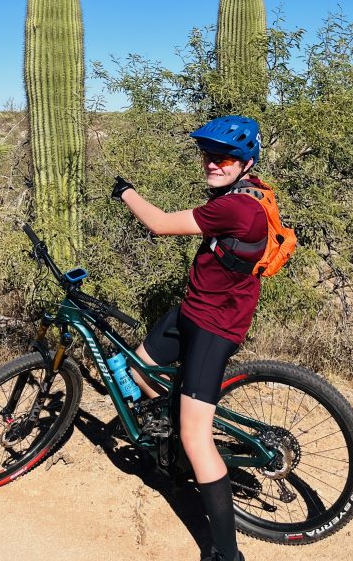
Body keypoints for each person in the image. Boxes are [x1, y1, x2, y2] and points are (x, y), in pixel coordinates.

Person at [111, 115, 268, 561]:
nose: (213, 163)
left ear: (245, 162)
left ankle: (225, 551)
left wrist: (126, 193)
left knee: (197, 436)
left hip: (214, 327)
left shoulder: (237, 207)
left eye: (224, 157)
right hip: (191, 310)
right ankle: (168, 445)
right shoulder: (241, 193)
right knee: (134, 364)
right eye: (208, 155)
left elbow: (159, 224)